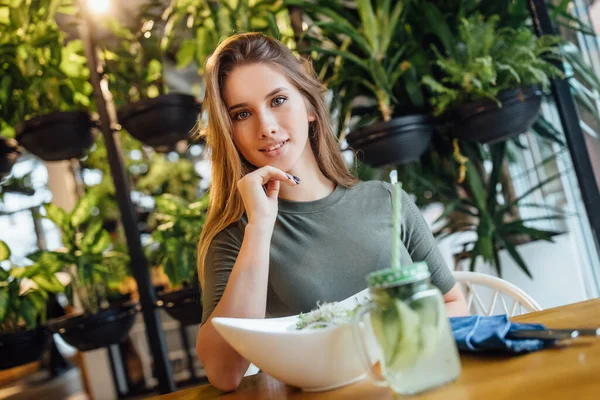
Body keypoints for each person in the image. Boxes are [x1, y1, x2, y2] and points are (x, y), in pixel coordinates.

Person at [195, 32, 468, 392]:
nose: (266, 127)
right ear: (230, 132)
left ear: (309, 107)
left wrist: (391, 358)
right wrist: (260, 227)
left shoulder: (388, 200)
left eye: (278, 100)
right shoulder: (237, 235)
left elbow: (451, 302)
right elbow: (224, 374)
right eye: (242, 113)